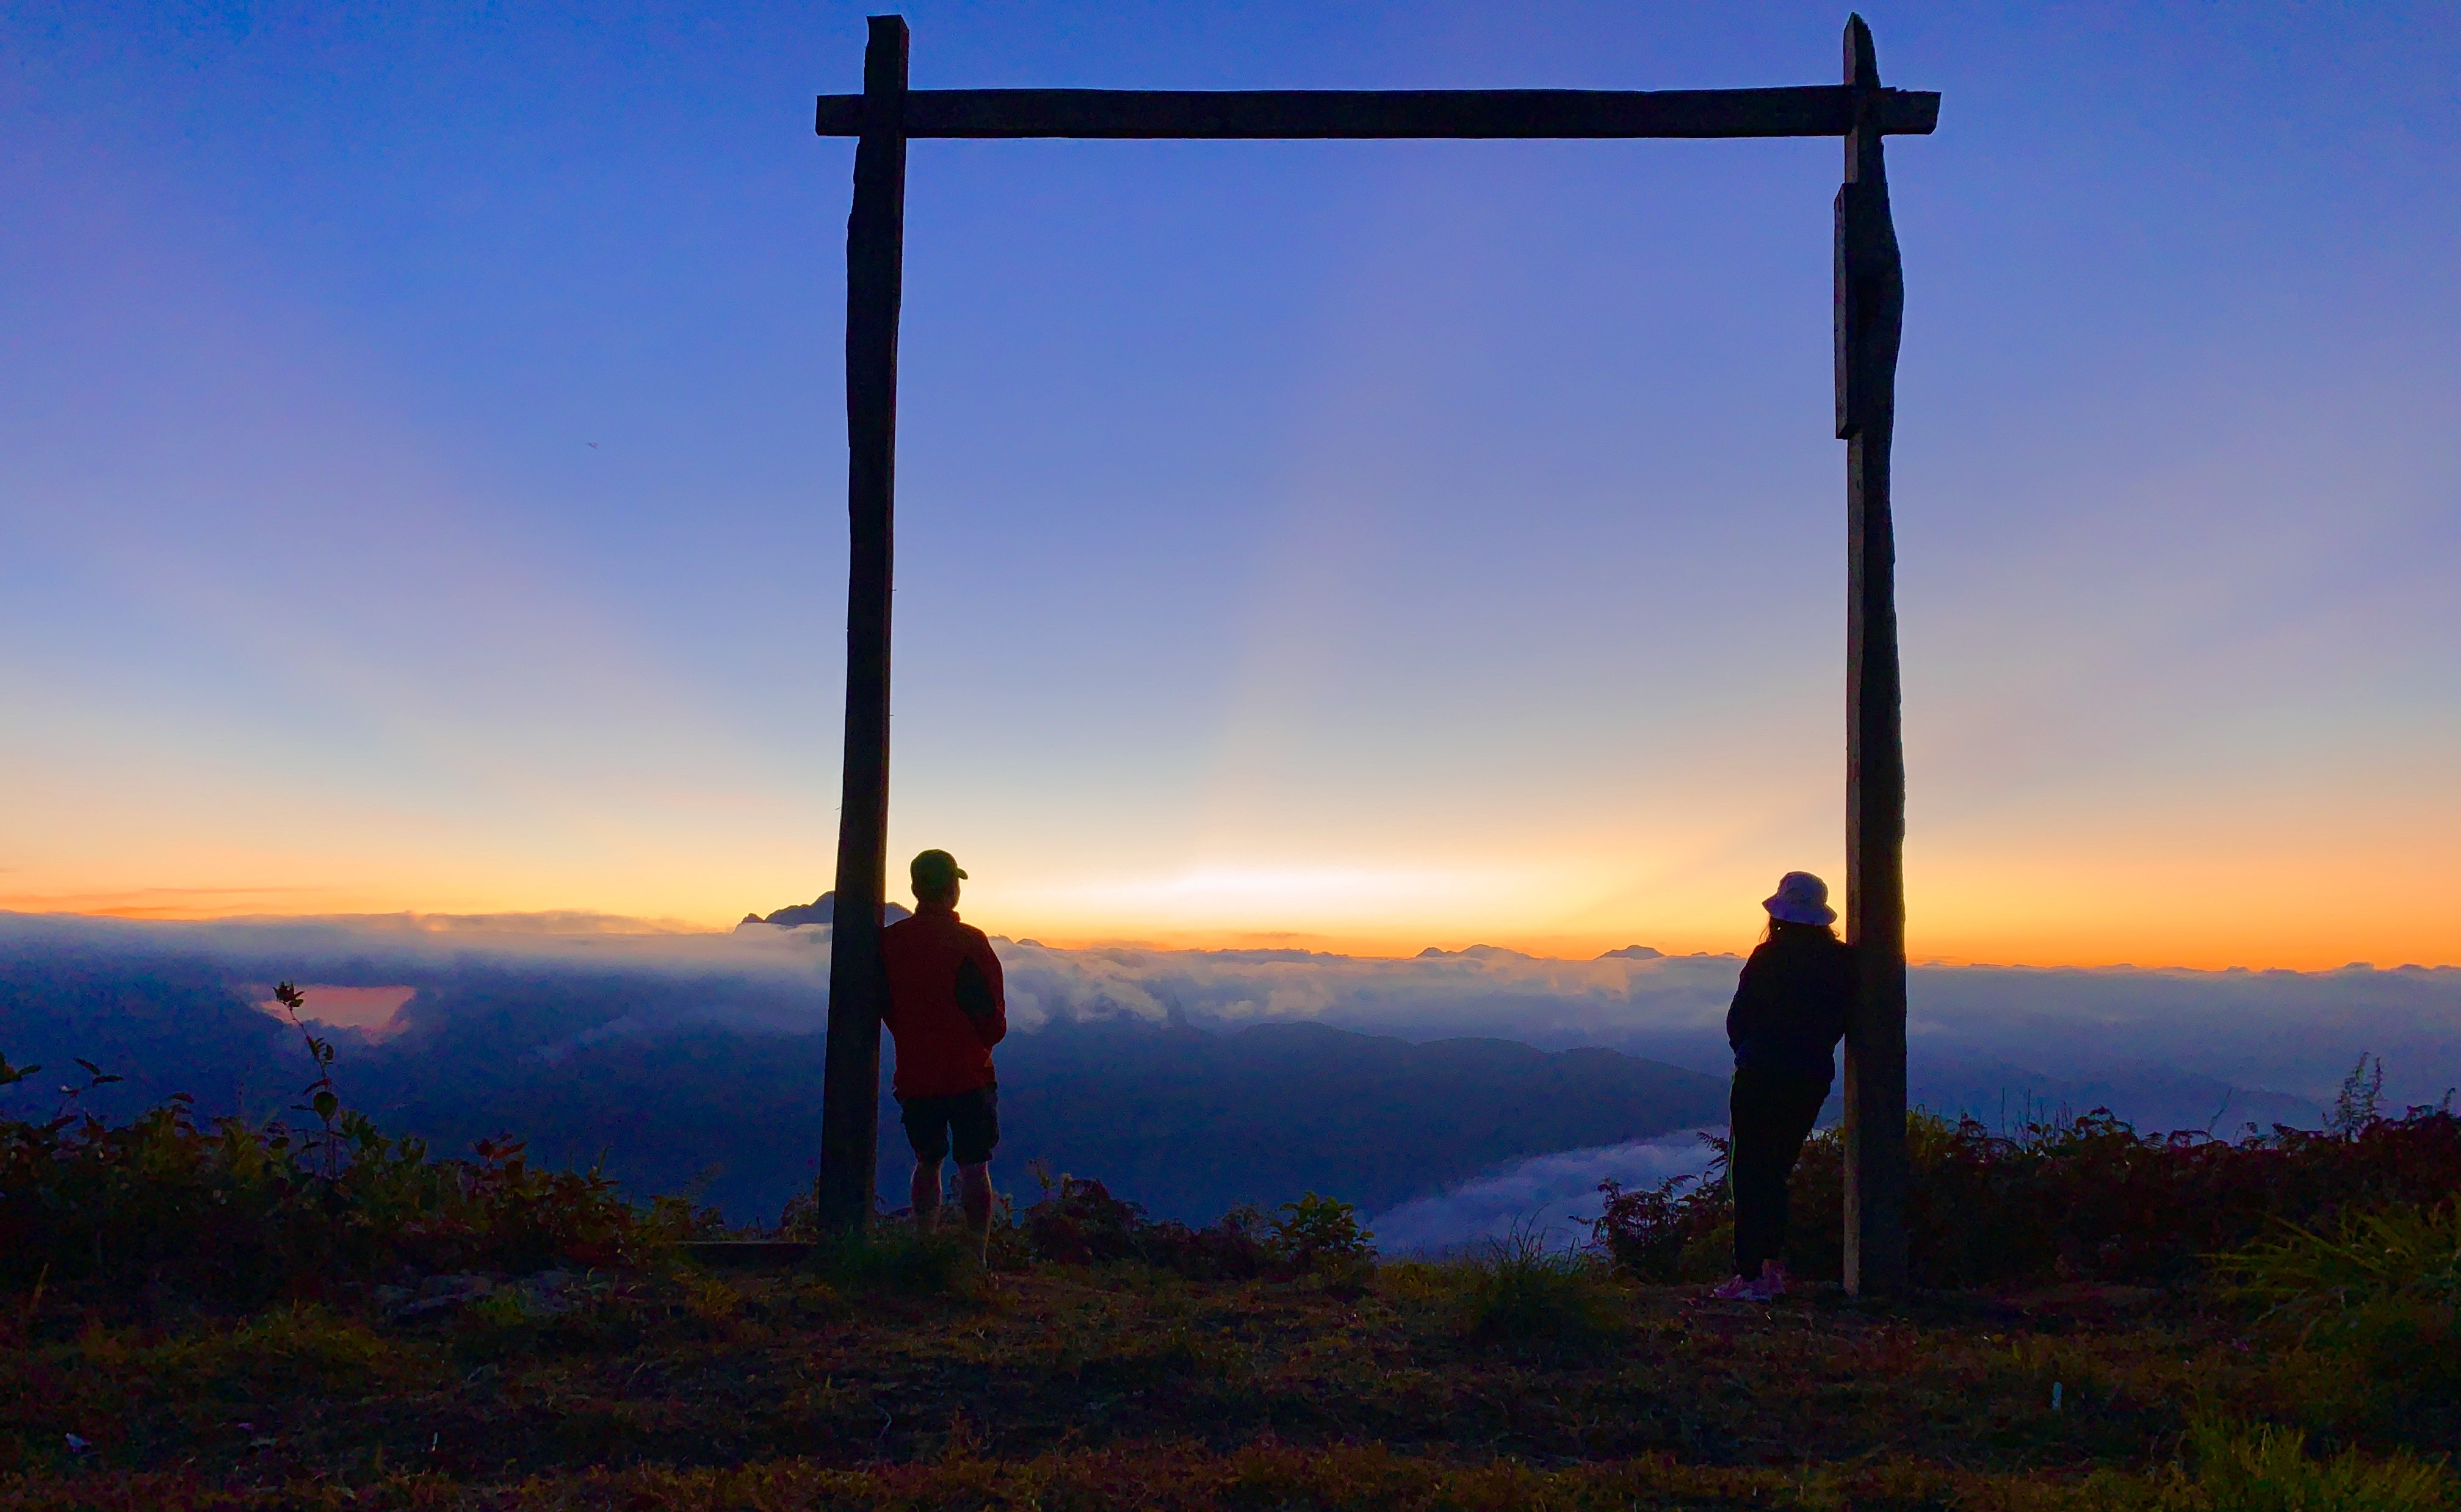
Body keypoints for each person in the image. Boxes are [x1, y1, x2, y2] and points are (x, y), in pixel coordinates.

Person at [1713, 870, 1854, 1301]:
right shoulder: (1843, 962)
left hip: (1761, 1076)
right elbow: (1842, 1020)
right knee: (1777, 1170)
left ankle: (1752, 1275)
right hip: (1810, 1079)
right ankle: (1771, 1268)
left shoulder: (1769, 958)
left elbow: (1739, 1020)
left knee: (1749, 1173)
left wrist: (1751, 1051)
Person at [878, 848, 1007, 1255]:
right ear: (952, 890)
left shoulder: (889, 943)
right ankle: (976, 1257)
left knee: (928, 1160)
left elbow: (883, 1003)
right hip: (969, 1075)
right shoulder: (970, 942)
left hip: (916, 1076)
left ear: (917, 888)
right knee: (974, 1166)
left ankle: (924, 1243)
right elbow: (994, 1021)